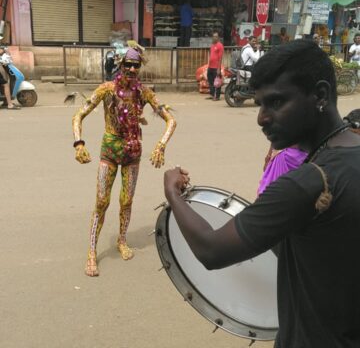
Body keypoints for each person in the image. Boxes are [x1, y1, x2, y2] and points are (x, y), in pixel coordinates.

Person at [163, 40, 360, 347]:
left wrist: (173, 194)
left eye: (277, 103)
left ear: (319, 95)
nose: (262, 118)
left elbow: (211, 250)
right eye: (260, 104)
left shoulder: (307, 183)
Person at [72, 42, 176, 277]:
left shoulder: (144, 93)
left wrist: (161, 145)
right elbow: (79, 115)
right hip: (109, 150)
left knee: (126, 201)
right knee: (101, 201)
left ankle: (121, 239)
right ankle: (91, 250)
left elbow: (171, 120)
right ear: (120, 65)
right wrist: (79, 143)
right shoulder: (107, 90)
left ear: (139, 67)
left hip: (132, 153)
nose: (131, 69)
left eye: (135, 66)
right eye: (127, 65)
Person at [207, 31, 224, 101]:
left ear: (218, 38)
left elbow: (220, 58)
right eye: (213, 36)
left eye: (216, 36)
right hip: (210, 66)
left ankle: (217, 96)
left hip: (216, 67)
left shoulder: (220, 46)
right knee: (210, 81)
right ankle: (212, 94)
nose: (214, 38)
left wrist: (218, 68)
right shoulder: (212, 45)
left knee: (217, 82)